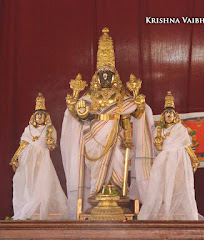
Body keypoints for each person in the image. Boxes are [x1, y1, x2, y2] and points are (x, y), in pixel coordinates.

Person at [61, 28, 155, 219]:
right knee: (96, 169)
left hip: (117, 138)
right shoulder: (89, 96)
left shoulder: (122, 96)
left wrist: (138, 100)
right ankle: (97, 195)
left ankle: (116, 195)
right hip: (94, 137)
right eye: (102, 75)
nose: (105, 79)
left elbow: (136, 112)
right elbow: (81, 114)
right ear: (97, 78)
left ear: (114, 78)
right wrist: (73, 105)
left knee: (119, 162)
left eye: (109, 76)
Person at [138, 91, 201, 220]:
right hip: (164, 160)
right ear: (163, 115)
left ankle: (176, 209)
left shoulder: (180, 129)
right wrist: (159, 140)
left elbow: (187, 146)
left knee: (178, 185)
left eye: (171, 113)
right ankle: (164, 209)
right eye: (166, 113)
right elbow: (159, 148)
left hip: (179, 160)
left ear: (175, 116)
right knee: (162, 185)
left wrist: (194, 160)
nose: (168, 115)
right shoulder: (159, 130)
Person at [10, 93, 68, 220]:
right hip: (27, 160)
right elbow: (23, 144)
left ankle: (41, 210)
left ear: (46, 117)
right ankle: (28, 208)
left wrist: (50, 141)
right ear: (34, 117)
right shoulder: (28, 129)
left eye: (42, 115)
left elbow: (52, 146)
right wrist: (15, 157)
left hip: (42, 159)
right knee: (27, 183)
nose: (39, 117)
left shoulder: (49, 128)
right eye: (38, 115)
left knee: (43, 182)